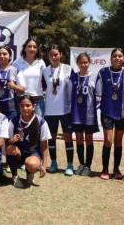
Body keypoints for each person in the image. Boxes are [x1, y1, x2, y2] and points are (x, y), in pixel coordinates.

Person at [96, 48, 124, 180]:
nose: (117, 58)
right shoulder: (103, 72)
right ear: (111, 58)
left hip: (122, 113)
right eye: (115, 56)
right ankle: (104, 169)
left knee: (118, 141)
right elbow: (98, 91)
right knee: (108, 141)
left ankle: (116, 169)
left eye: (120, 56)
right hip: (107, 112)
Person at [41, 45, 74, 175]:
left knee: (67, 137)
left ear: (61, 54)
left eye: (56, 54)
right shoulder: (44, 71)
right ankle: (53, 163)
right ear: (48, 57)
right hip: (50, 110)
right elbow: (43, 89)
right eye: (51, 55)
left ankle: (70, 165)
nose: (54, 57)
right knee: (52, 138)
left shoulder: (68, 69)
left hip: (65, 110)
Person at [6, 95, 51, 188]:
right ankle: (15, 176)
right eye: (22, 106)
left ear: (33, 106)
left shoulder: (41, 122)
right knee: (10, 149)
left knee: (32, 164)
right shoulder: (13, 121)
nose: (25, 108)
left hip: (33, 153)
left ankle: (30, 174)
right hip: (18, 153)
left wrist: (44, 165)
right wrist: (12, 141)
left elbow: (44, 145)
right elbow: (7, 143)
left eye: (28, 105)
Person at [70, 52, 98, 177]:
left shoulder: (94, 77)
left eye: (86, 62)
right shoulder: (73, 77)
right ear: (77, 64)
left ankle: (88, 166)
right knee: (79, 139)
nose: (84, 64)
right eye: (81, 62)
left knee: (89, 139)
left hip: (89, 114)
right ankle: (81, 164)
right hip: (76, 113)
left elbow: (98, 95)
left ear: (89, 63)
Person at [0, 45, 24, 119]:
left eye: (5, 54)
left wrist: (14, 86)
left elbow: (22, 90)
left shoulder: (15, 70)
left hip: (11, 109)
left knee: (10, 130)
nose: (2, 56)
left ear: (10, 56)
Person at [13, 37, 46, 117]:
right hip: (22, 100)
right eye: (29, 46)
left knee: (38, 126)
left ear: (37, 49)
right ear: (24, 48)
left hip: (38, 100)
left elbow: (45, 81)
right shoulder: (17, 63)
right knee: (22, 126)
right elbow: (13, 82)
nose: (32, 49)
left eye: (35, 47)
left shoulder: (41, 62)